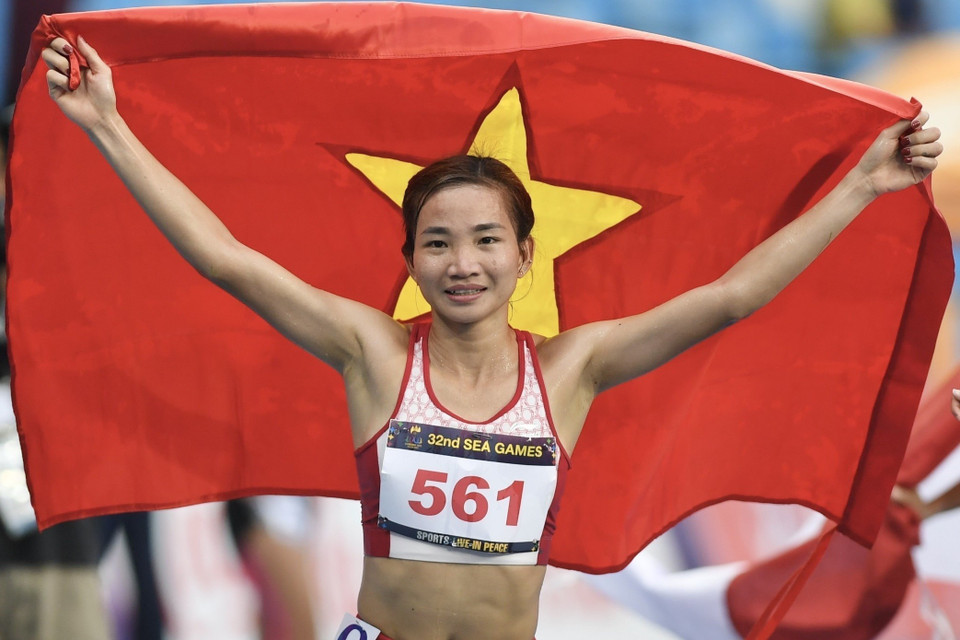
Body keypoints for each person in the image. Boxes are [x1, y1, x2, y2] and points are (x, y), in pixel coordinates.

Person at [40, 34, 942, 640]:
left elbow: (734, 295)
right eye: (437, 243)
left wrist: (863, 186)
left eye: (485, 241)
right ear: (409, 260)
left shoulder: (574, 368)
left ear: (524, 256)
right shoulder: (372, 352)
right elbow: (226, 259)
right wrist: (108, 124)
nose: (462, 263)